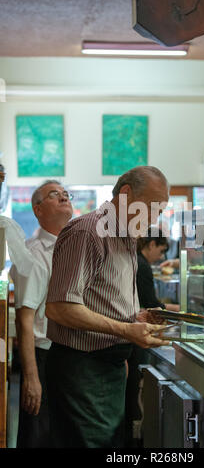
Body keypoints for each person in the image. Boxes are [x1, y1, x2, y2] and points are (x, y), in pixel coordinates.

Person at [45, 166, 170, 448]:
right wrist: (126, 329)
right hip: (81, 369)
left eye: (159, 212)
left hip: (109, 367)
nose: (153, 219)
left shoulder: (126, 237)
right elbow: (59, 307)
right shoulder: (88, 232)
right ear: (126, 194)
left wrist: (134, 317)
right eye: (151, 208)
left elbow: (100, 299)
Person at [9, 180, 73, 448]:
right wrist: (32, 378)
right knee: (39, 435)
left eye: (65, 193)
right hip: (43, 358)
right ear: (37, 209)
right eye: (53, 194)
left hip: (67, 357)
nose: (63, 197)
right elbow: (25, 321)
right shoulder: (34, 254)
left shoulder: (70, 248)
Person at [125, 228, 180, 446]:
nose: (162, 256)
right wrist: (178, 310)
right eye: (161, 250)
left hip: (134, 330)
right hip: (137, 334)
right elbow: (150, 304)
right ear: (151, 245)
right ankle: (133, 437)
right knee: (133, 391)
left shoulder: (136, 261)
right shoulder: (142, 265)